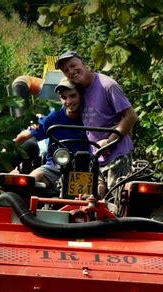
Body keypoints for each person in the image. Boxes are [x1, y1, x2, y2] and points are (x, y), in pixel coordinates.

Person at [55, 50, 139, 198]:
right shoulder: (78, 90)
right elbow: (67, 112)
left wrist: (109, 141)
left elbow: (131, 116)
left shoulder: (107, 85)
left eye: (73, 65)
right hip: (93, 157)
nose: (71, 71)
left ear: (83, 62)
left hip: (117, 155)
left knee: (117, 202)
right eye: (66, 70)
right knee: (85, 198)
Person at [12, 77, 88, 188]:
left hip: (86, 168)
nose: (68, 101)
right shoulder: (53, 117)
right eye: (64, 97)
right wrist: (4, 153)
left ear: (80, 95)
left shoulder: (91, 116)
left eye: (72, 96)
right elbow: (25, 135)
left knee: (100, 186)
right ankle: (22, 201)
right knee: (34, 177)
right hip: (56, 168)